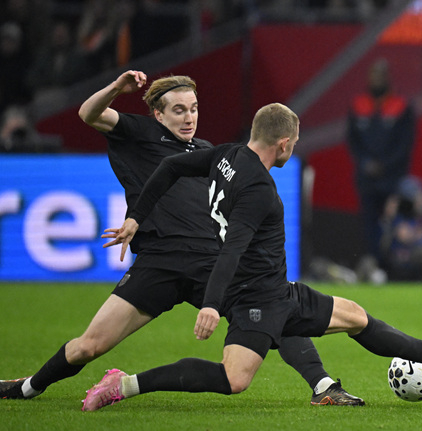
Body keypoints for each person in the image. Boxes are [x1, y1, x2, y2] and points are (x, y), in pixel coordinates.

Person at [0, 71, 363, 407]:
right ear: (158, 115)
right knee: (89, 346)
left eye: (194, 109)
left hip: (207, 260)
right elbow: (88, 114)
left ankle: (323, 386)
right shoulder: (140, 132)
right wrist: (116, 88)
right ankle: (28, 387)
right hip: (159, 262)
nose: (189, 118)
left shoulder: (208, 150)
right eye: (178, 110)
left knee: (273, 305)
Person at [80, 102, 422, 411]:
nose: (292, 149)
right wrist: (211, 304)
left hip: (277, 291)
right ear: (282, 144)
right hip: (256, 299)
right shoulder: (259, 189)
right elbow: (233, 248)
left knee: (356, 316)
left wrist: (136, 216)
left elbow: (169, 166)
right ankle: (123, 385)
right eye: (293, 143)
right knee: (234, 378)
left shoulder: (227, 155)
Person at [347, 58, 416, 269]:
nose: (376, 79)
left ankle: (395, 266)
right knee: (368, 222)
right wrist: (366, 163)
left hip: (393, 178)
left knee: (394, 220)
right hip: (366, 178)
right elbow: (352, 141)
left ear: (388, 78)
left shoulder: (401, 106)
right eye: (373, 75)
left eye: (380, 75)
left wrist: (384, 165)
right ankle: (373, 264)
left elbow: (405, 144)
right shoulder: (358, 106)